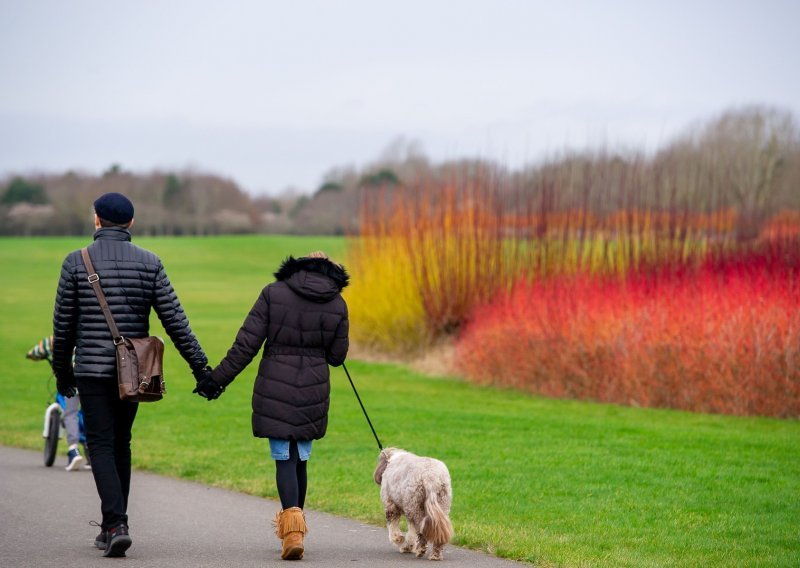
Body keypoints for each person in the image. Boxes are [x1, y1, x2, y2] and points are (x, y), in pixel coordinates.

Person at [52, 192, 210, 557]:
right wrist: (201, 369)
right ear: (131, 223)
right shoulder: (150, 262)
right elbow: (176, 322)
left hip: (91, 370)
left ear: (97, 220)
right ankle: (115, 523)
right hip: (133, 371)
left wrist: (63, 372)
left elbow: (63, 326)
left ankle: (114, 524)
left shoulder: (76, 262)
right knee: (120, 442)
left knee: (102, 444)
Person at [194, 251, 349, 561]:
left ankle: (291, 532)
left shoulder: (272, 293)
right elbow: (337, 357)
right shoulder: (337, 303)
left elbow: (246, 344)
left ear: (296, 268)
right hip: (313, 390)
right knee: (300, 458)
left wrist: (216, 380)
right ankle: (297, 530)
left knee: (283, 458)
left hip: (275, 385)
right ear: (331, 272)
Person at [26, 335, 89, 471]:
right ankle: (90, 451)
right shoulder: (86, 337)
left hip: (70, 380)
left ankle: (73, 450)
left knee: (70, 413)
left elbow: (34, 353)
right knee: (88, 412)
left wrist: (31, 355)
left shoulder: (51, 342)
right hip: (89, 378)